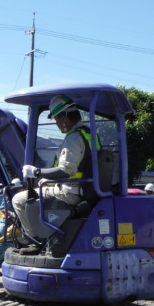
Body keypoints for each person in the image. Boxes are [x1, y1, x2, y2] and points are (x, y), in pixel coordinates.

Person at [13, 94, 97, 244]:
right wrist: (48, 179)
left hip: (70, 193)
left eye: (56, 119)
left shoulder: (73, 139)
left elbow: (66, 171)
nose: (57, 124)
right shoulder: (89, 134)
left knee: (18, 200)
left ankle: (33, 240)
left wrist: (36, 172)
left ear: (64, 117)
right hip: (86, 189)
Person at [0, 179, 20, 276]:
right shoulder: (9, 197)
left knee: (3, 244)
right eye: (20, 188)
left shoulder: (12, 196)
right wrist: (13, 214)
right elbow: (3, 209)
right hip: (6, 224)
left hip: (6, 224)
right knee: (9, 244)